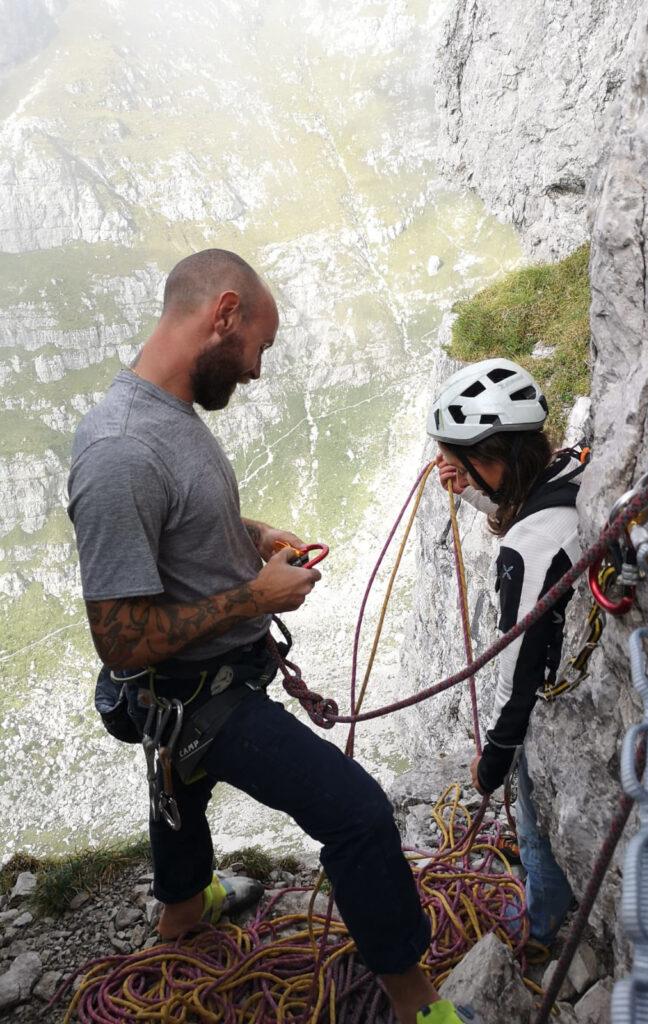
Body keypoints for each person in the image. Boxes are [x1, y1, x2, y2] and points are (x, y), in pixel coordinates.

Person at [67, 248, 470, 1024]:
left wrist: (247, 534)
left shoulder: (165, 415)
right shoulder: (120, 450)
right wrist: (255, 595)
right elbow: (119, 641)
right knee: (356, 814)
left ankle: (183, 909)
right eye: (260, 345)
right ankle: (417, 1004)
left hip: (190, 692)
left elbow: (174, 525)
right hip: (199, 695)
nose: (256, 369)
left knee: (177, 781)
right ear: (223, 315)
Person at [427, 357, 586, 947]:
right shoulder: (569, 467)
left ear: (490, 457)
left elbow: (517, 676)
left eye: (457, 458)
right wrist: (473, 493)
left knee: (533, 806)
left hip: (551, 710)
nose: (447, 467)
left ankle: (542, 921)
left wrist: (490, 763)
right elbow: (532, 512)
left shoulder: (529, 550)